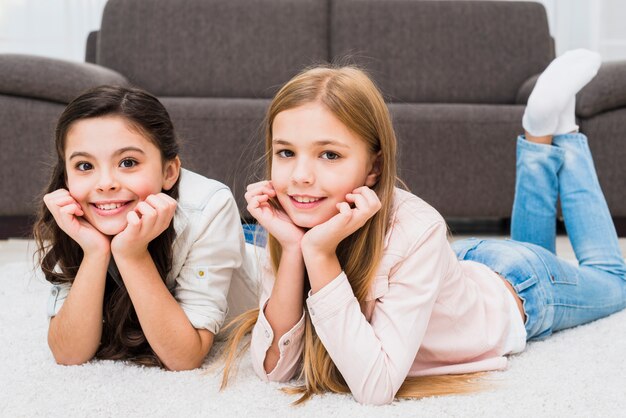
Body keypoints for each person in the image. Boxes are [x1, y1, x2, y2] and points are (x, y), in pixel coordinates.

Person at [221, 49, 626, 405]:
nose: (300, 176)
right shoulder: (289, 223)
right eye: (286, 152)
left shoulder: (417, 226)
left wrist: (320, 255)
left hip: (524, 288)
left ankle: (561, 133)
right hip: (459, 264)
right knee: (534, 248)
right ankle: (538, 138)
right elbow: (274, 369)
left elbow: (375, 386)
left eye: (329, 154)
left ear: (373, 167)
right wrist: (293, 250)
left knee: (613, 279)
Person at [34, 86, 257, 370]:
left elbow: (185, 357)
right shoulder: (75, 208)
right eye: (84, 165)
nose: (105, 183)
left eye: (128, 162)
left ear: (169, 172)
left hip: (257, 272)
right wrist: (94, 252)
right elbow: (68, 354)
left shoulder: (209, 206)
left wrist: (131, 255)